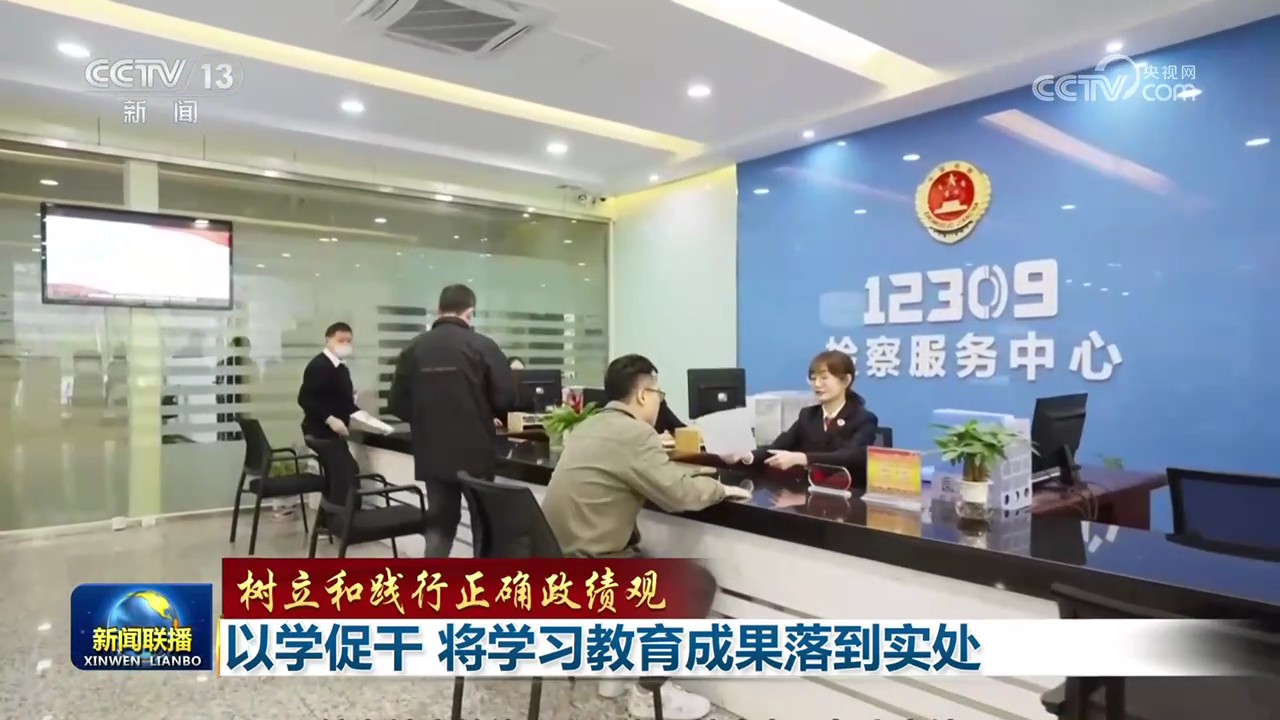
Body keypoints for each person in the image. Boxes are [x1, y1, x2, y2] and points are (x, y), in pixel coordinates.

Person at [542, 353, 750, 720]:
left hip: (554, 564)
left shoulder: (588, 426)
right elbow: (679, 495)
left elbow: (654, 477)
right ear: (643, 394)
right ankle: (648, 692)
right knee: (693, 584)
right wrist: (721, 488)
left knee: (643, 556)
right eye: (658, 394)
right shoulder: (635, 434)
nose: (658, 403)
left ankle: (614, 677)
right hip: (591, 570)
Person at [389, 284, 517, 558]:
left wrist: (427, 418)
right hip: (476, 455)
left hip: (432, 455)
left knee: (440, 524)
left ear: (439, 310)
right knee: (484, 523)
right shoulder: (483, 346)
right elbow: (506, 399)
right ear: (470, 312)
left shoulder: (413, 349)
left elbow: (397, 404)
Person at [729, 349, 878, 483]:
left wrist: (803, 458)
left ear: (845, 380)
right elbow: (778, 447)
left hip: (848, 493)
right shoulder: (808, 415)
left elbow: (849, 456)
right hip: (808, 491)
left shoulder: (864, 419)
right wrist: (748, 456)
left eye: (824, 378)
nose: (817, 384)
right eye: (813, 378)